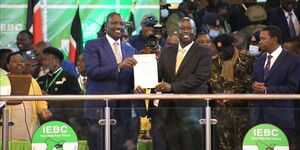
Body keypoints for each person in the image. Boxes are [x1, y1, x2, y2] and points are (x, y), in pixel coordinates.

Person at [137, 17, 211, 150]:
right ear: (177, 31)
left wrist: (172, 87)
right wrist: (143, 82)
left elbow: (200, 76)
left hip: (191, 109)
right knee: (172, 144)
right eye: (182, 28)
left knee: (191, 145)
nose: (186, 31)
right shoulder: (167, 52)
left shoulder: (204, 52)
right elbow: (157, 76)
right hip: (169, 109)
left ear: (195, 31)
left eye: (189, 28)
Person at [84, 12, 144, 150]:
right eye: (114, 23)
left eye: (121, 23)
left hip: (123, 110)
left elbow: (132, 77)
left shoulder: (130, 49)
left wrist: (138, 85)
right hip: (99, 108)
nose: (118, 26)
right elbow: (92, 72)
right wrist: (118, 67)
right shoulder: (92, 45)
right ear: (106, 26)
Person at [251, 26, 300, 148]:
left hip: (280, 116)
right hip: (259, 116)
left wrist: (267, 90)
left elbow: (292, 88)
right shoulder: (260, 59)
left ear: (274, 39)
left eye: (263, 38)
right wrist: (254, 86)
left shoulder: (292, 60)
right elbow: (253, 80)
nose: (260, 41)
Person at [210, 34, 255, 150]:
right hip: (222, 112)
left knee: (244, 144)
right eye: (219, 50)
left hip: (242, 112)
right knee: (224, 145)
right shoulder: (213, 63)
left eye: (224, 50)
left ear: (232, 46)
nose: (221, 53)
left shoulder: (247, 59)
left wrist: (244, 74)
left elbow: (254, 84)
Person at [37, 47, 84, 137]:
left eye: (46, 60)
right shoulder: (40, 80)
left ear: (56, 61)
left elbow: (75, 102)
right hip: (44, 121)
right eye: (43, 60)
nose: (43, 63)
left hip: (64, 121)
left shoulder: (69, 78)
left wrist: (50, 98)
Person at [5, 52, 51, 140]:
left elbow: (40, 101)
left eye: (21, 61)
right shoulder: (3, 81)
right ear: (8, 65)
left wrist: (43, 109)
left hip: (29, 125)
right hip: (9, 124)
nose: (19, 63)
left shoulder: (32, 81)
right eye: (15, 61)